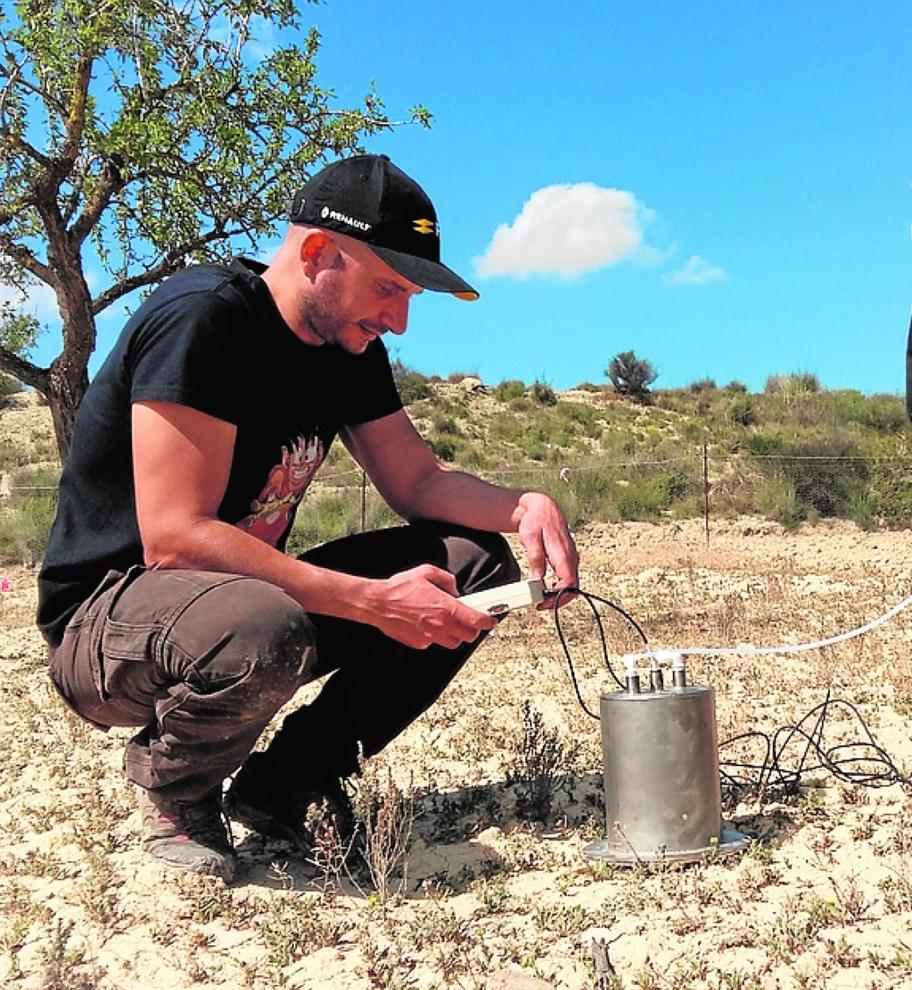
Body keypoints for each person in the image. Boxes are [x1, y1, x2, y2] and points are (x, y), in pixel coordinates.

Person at [36, 154, 580, 884]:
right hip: (108, 625)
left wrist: (526, 506)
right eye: (389, 287)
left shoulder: (348, 346)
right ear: (319, 252)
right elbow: (176, 539)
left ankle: (287, 783)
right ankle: (179, 792)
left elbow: (417, 481)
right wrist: (372, 601)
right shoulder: (204, 319)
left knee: (472, 566)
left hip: (242, 602)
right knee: (264, 623)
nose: (399, 321)